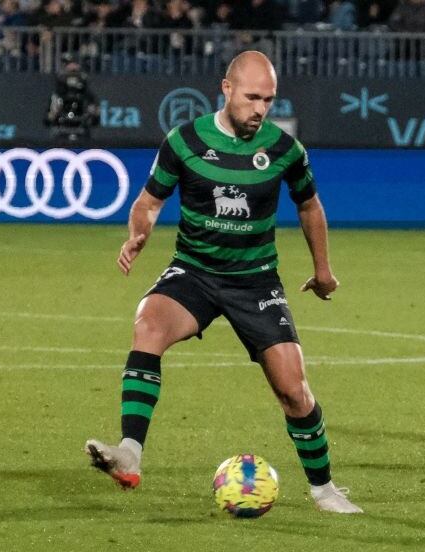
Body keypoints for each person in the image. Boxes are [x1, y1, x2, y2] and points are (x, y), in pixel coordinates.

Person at [84, 51, 363, 515]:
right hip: (194, 271)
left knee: (293, 390)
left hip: (255, 282)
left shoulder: (285, 150)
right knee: (148, 323)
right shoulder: (185, 140)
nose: (260, 109)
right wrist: (139, 234)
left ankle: (325, 490)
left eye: (268, 100)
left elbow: (309, 205)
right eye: (252, 97)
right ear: (227, 88)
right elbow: (148, 202)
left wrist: (323, 270)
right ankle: (130, 452)